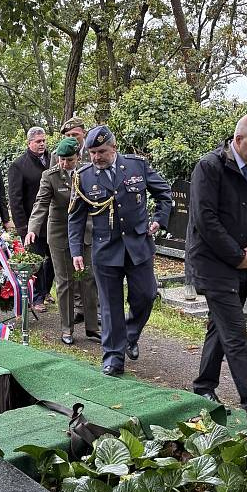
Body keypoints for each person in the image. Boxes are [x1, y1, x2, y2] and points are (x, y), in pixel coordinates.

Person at [187, 113, 247, 429]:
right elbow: (205, 219)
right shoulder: (210, 167)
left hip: (243, 265)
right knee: (236, 333)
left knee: (219, 326)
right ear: (238, 140)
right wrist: (236, 255)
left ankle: (203, 386)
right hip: (214, 265)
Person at [69, 126, 172, 377]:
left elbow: (164, 193)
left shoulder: (137, 166)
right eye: (92, 152)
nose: (96, 157)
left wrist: (159, 220)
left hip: (138, 245)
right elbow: (75, 217)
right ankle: (113, 358)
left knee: (146, 295)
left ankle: (130, 335)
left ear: (114, 148)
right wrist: (76, 251)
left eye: (101, 151)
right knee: (110, 306)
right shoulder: (83, 176)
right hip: (105, 249)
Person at [26, 137, 100, 345]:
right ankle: (67, 329)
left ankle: (92, 327)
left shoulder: (87, 173)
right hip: (60, 234)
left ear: (78, 157)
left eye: (69, 160)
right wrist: (33, 229)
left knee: (88, 279)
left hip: (85, 233)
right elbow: (41, 204)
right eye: (61, 159)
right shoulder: (50, 176)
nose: (64, 163)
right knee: (65, 281)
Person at [9, 126, 55, 313]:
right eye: (38, 141)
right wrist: (22, 227)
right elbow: (15, 199)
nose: (42, 144)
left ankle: (46, 291)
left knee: (54, 260)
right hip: (32, 224)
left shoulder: (53, 160)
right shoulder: (19, 165)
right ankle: (37, 297)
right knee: (36, 262)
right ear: (29, 143)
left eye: (43, 140)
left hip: (54, 222)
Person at [60, 116, 91, 323]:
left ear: (83, 134)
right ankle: (78, 308)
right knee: (72, 269)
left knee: (90, 272)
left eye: (75, 134)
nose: (72, 138)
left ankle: (93, 311)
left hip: (92, 222)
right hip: (70, 221)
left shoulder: (93, 151)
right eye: (68, 135)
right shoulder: (60, 153)